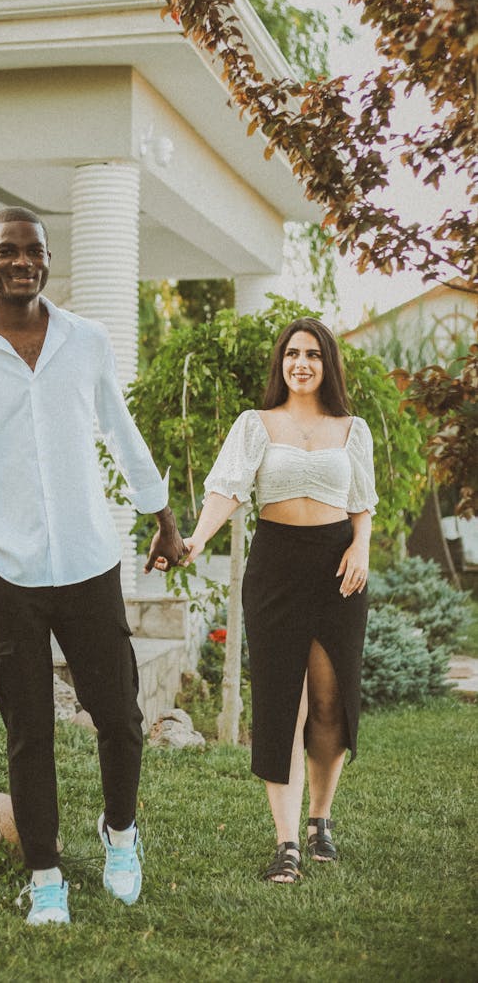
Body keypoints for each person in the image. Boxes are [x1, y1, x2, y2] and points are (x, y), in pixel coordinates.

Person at [0, 207, 184, 924]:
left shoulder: (86, 342)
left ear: (47, 259)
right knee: (29, 733)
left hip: (90, 562)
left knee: (119, 716)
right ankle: (46, 878)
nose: (22, 261)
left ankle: (119, 834)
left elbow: (120, 428)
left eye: (33, 250)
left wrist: (163, 517)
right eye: (8, 250)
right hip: (9, 575)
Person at [178, 317, 377, 883]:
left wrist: (361, 547)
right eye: (292, 354)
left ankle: (320, 819)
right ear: (280, 363)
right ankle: (286, 842)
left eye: (313, 354)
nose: (301, 363)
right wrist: (195, 541)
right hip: (276, 569)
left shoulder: (352, 429)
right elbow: (225, 490)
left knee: (330, 702)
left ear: (327, 364)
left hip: (338, 570)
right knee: (281, 704)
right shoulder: (256, 424)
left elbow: (362, 501)